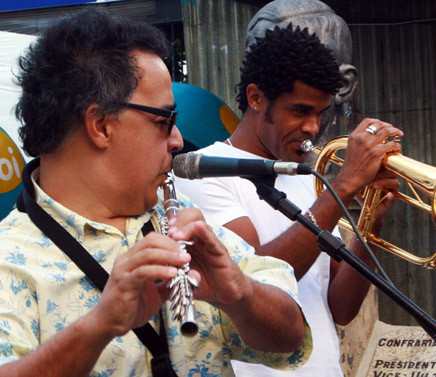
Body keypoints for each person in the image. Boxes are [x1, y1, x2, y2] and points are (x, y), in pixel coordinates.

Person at [0, 9, 313, 377]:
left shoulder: (181, 218)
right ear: (100, 125)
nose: (178, 141)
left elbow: (291, 338)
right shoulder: (10, 259)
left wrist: (241, 294)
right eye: (165, 121)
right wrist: (99, 325)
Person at [175, 24, 404, 377]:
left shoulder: (304, 181)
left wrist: (373, 219)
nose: (313, 127)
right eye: (300, 111)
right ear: (256, 98)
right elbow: (253, 282)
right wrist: (341, 188)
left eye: (320, 113)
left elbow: (341, 309)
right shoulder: (202, 175)